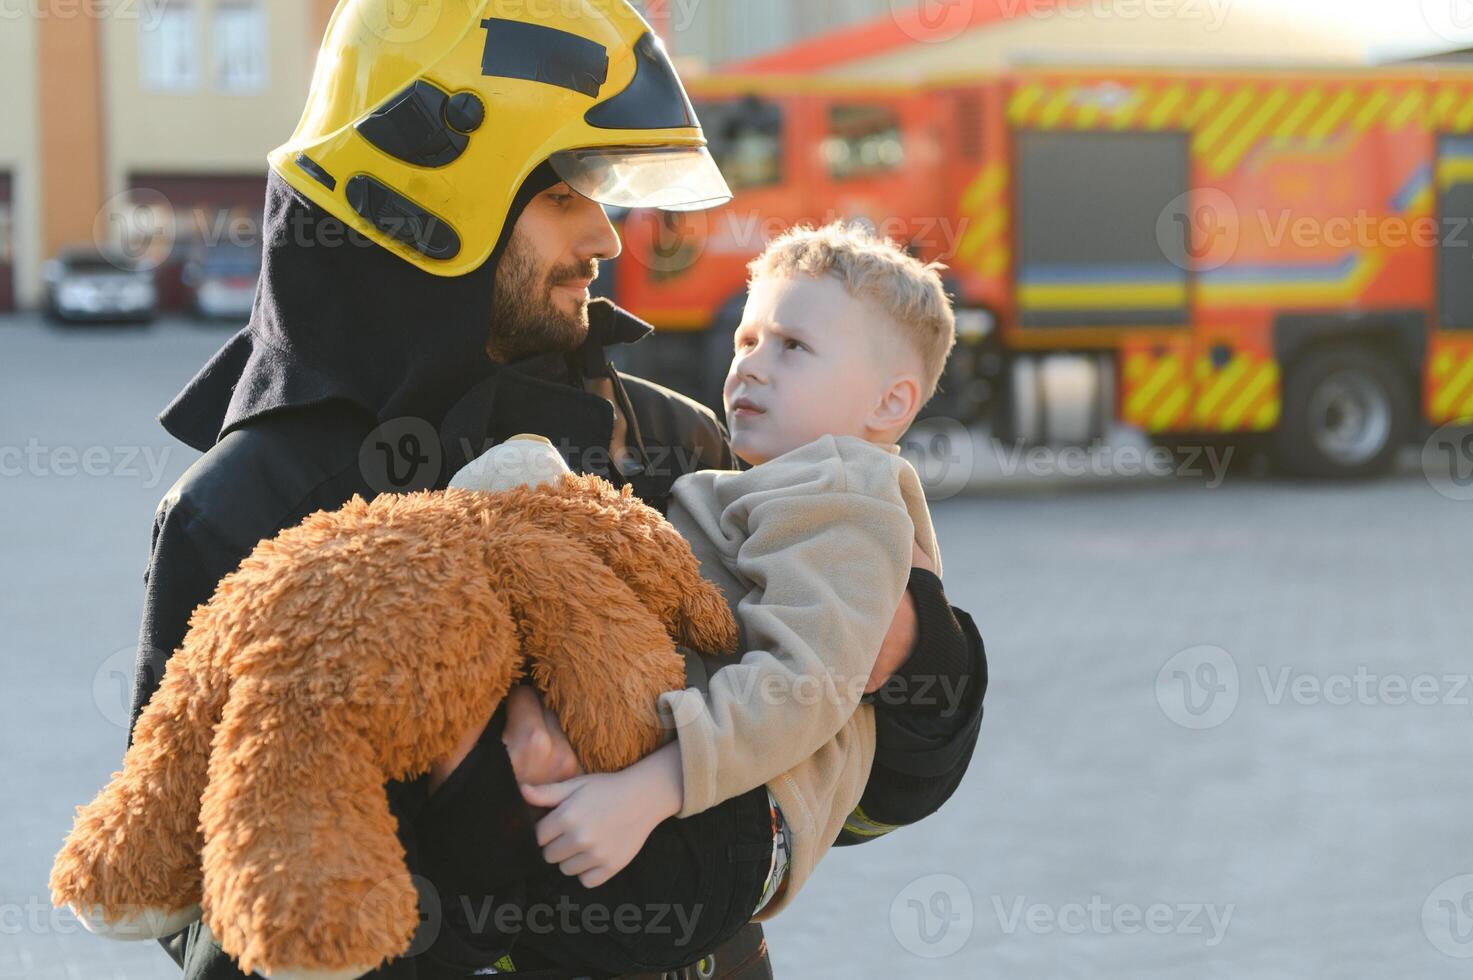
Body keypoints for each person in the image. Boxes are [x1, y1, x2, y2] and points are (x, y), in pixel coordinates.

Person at [127, 2, 986, 977]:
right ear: (436, 198)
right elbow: (200, 904)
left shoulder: (668, 439)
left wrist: (928, 663)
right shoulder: (249, 506)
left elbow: (834, 789)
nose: (607, 237)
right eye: (568, 193)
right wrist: (493, 871)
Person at [422, 221, 969, 975]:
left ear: (889, 403)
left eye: (792, 347)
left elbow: (805, 682)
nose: (752, 367)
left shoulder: (843, 492)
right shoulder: (761, 479)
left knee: (538, 905)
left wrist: (651, 788)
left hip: (738, 823)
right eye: (746, 340)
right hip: (713, 800)